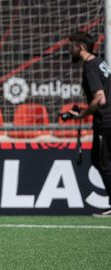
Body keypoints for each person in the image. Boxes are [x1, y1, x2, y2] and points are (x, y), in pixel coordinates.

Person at [68, 32, 111, 217]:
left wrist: (82, 115)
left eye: (72, 46)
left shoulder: (90, 67)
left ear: (81, 47)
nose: (70, 50)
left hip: (106, 122)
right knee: (98, 160)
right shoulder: (101, 62)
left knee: (104, 163)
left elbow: (100, 98)